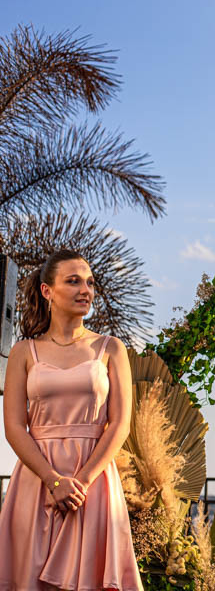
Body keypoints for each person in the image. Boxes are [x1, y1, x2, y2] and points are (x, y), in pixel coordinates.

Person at [0, 250, 142, 591]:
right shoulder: (23, 351)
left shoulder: (111, 348)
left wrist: (80, 482)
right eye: (73, 281)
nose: (86, 290)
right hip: (36, 481)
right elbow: (15, 426)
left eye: (90, 283)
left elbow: (120, 423)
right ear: (48, 291)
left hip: (91, 485)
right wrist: (53, 480)